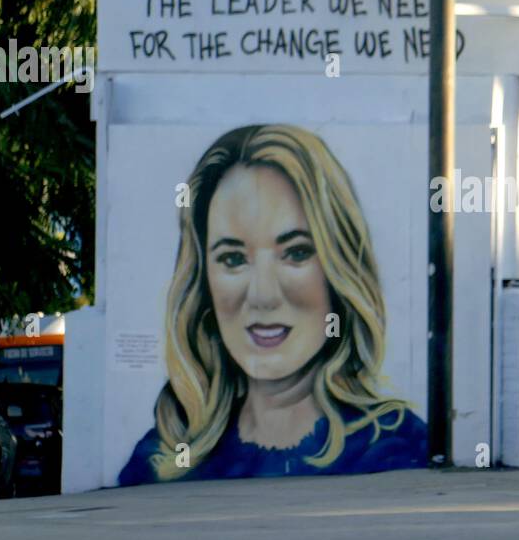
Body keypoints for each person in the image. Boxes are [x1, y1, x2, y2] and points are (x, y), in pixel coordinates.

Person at [119, 124, 426, 485]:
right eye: (233, 259)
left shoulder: (397, 448)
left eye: (296, 252)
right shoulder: (164, 454)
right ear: (205, 285)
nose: (263, 295)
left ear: (337, 270)